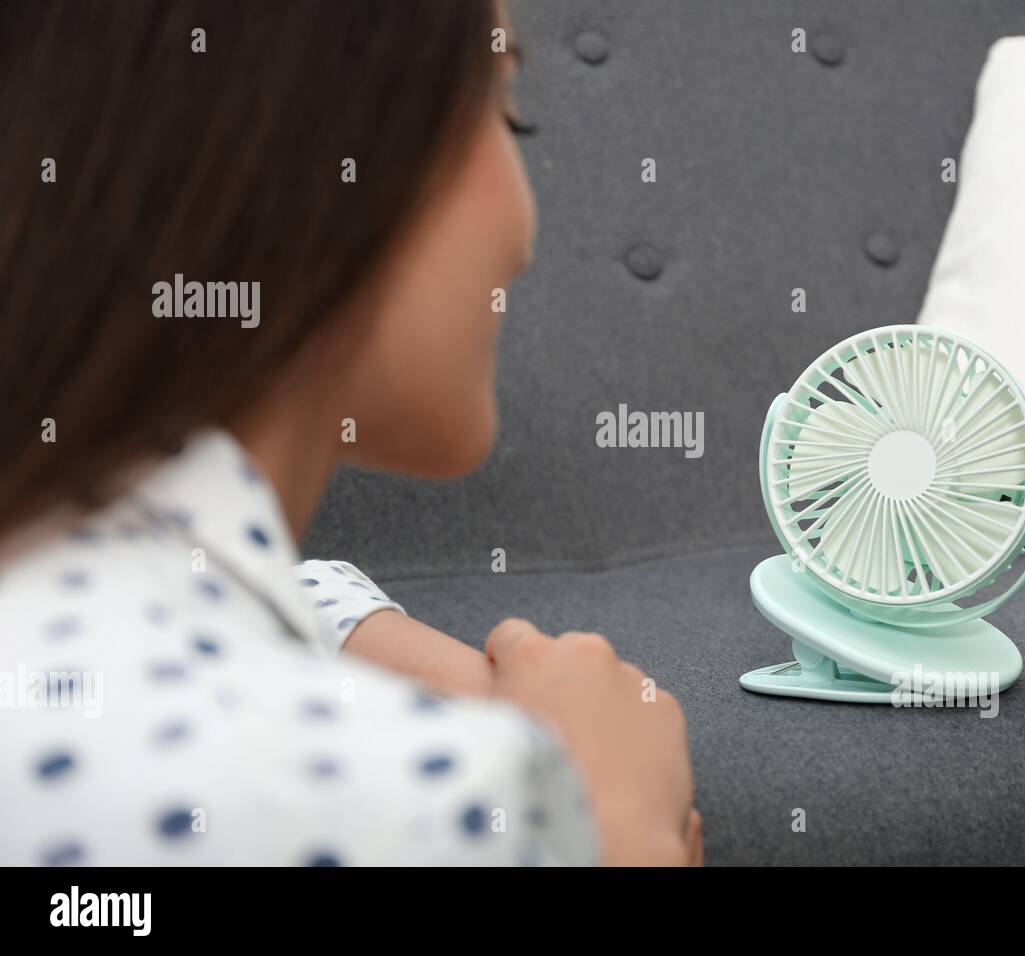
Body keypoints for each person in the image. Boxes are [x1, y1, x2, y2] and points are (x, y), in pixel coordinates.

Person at [0, 0, 701, 866]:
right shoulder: (423, 808)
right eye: (503, 110)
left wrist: (346, 630)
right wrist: (608, 821)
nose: (526, 233)